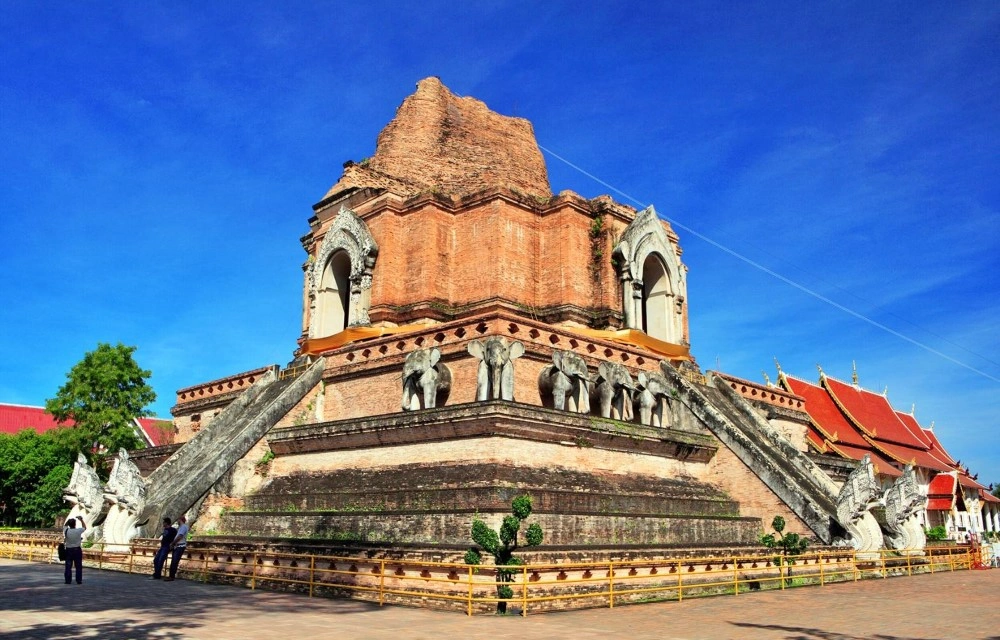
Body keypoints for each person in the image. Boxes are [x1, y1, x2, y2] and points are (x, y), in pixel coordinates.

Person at [63, 517, 86, 584]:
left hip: (68, 549)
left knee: (68, 566)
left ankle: (68, 580)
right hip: (77, 549)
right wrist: (81, 519)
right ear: (75, 524)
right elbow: (84, 527)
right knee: (78, 566)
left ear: (69, 525)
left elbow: (65, 525)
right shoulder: (78, 531)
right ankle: (79, 580)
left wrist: (68, 521)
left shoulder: (66, 530)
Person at [166, 515, 189, 582]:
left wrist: (173, 543)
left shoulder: (183, 527)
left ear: (180, 520)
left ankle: (171, 576)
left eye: (178, 520)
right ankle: (171, 575)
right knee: (174, 561)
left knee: (174, 561)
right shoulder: (181, 527)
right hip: (178, 546)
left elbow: (180, 536)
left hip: (180, 546)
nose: (177, 521)